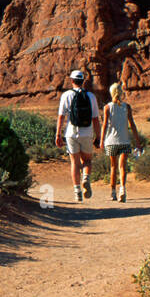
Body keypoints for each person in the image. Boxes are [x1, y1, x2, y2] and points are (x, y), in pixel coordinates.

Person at [54, 69, 101, 202]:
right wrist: (99, 137)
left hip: (71, 133)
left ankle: (77, 192)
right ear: (83, 81)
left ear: (72, 80)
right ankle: (86, 177)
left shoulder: (66, 95)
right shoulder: (91, 96)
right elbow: (96, 119)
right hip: (87, 132)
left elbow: (61, 117)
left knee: (74, 162)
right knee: (87, 160)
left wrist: (58, 134)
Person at [100, 81, 144, 202]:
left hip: (111, 142)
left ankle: (113, 193)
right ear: (121, 93)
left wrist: (101, 140)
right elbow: (132, 125)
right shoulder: (127, 107)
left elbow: (104, 125)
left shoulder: (107, 107)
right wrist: (138, 142)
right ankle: (122, 190)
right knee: (122, 167)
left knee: (113, 167)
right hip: (124, 141)